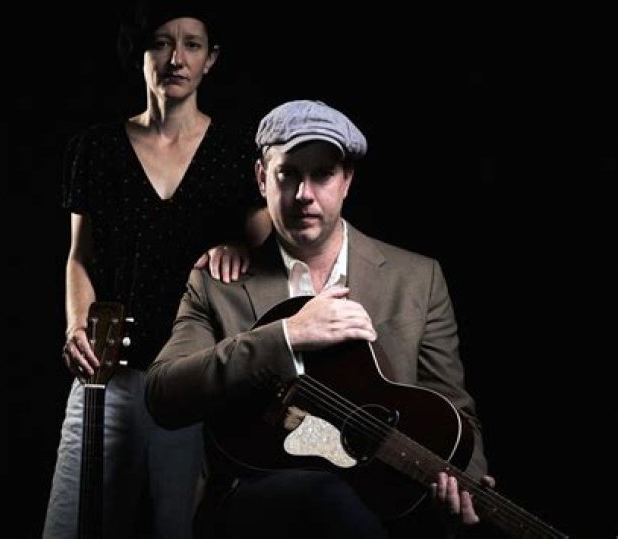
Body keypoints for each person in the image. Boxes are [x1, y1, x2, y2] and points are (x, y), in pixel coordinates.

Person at [145, 99, 497, 539]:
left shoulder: (417, 278)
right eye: (288, 174)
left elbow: (452, 406)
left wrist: (468, 482)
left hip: (387, 498)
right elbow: (163, 394)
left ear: (346, 180)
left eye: (323, 174)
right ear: (261, 178)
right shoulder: (217, 282)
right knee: (324, 495)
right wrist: (288, 335)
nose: (303, 194)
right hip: (256, 501)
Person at [43, 2, 270, 538]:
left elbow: (270, 257)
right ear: (140, 53)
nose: (176, 59)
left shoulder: (240, 150)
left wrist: (238, 246)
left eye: (192, 44)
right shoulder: (96, 148)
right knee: (71, 526)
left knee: (180, 527)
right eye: (161, 42)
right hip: (109, 375)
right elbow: (80, 256)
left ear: (211, 59)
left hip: (196, 379)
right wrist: (75, 326)